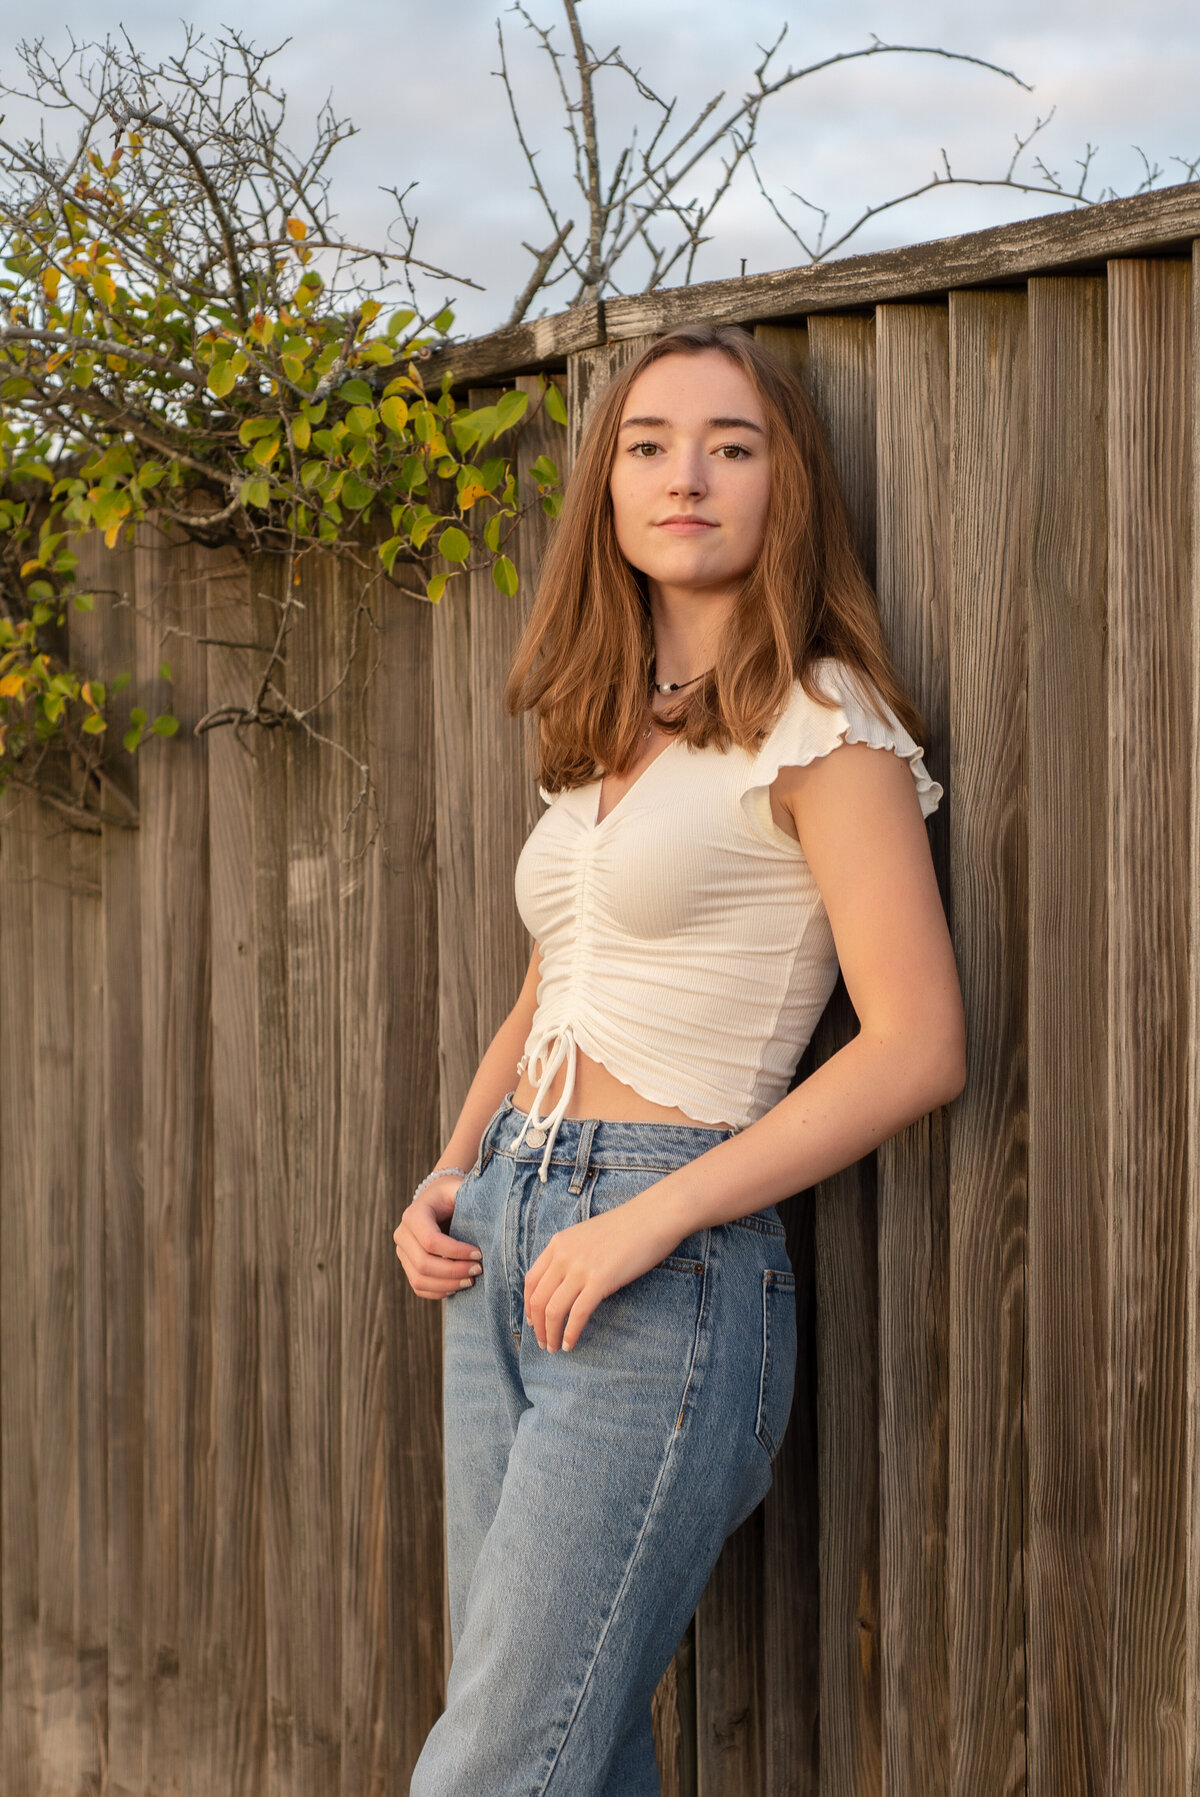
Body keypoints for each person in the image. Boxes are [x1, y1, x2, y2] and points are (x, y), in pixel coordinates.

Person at [396, 321, 965, 1796]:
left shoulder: (823, 723)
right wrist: (452, 1170)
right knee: (563, 1752)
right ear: (607, 488)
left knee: (492, 1767)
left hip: (664, 1264)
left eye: (732, 443)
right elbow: (552, 982)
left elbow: (916, 1045)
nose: (686, 475)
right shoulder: (607, 732)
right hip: (508, 1241)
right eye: (648, 444)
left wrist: (655, 1212)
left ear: (787, 484)